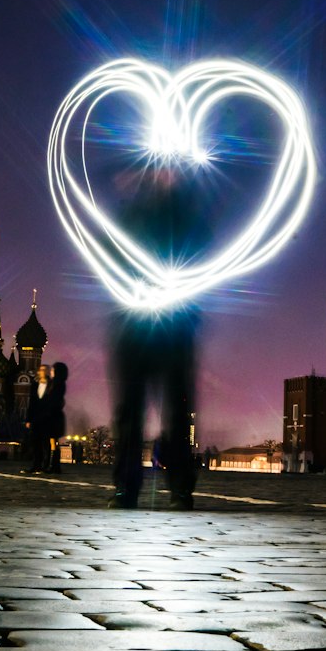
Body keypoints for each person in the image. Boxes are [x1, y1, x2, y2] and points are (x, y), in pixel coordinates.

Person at [108, 161, 210, 511]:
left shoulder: (187, 219)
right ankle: (127, 487)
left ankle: (180, 487)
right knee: (130, 411)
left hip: (173, 328)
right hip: (135, 325)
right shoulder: (133, 216)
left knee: (178, 412)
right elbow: (113, 259)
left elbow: (202, 258)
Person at [22, 363, 49, 473]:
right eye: (41, 370)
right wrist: (28, 419)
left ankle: (45, 466)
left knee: (45, 443)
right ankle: (35, 465)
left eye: (44, 370)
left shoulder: (52, 385)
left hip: (47, 419)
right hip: (36, 419)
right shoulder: (35, 384)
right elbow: (31, 403)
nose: (41, 371)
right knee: (35, 443)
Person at [44, 361, 69, 472]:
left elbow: (54, 400)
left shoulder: (57, 384)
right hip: (55, 415)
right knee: (53, 441)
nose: (51, 372)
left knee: (53, 442)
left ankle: (53, 465)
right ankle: (53, 465)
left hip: (53, 415)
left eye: (53, 370)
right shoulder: (60, 383)